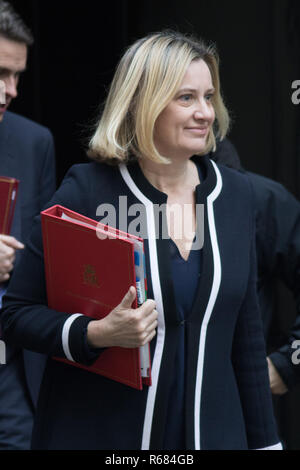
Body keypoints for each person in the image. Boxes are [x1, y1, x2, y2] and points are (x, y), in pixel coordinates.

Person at [1, 30, 281, 450]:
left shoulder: (235, 195)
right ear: (143, 102)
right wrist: (96, 333)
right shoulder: (88, 192)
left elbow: (246, 338)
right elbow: (17, 315)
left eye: (209, 96)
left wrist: (267, 444)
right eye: (186, 97)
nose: (205, 112)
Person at [0, 1, 56, 449]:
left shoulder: (33, 141)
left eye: (17, 75)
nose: (11, 89)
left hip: (13, 372)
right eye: (0, 73)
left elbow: (46, 257)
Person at [210, 139, 300, 397]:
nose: (201, 112)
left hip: (236, 407)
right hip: (143, 410)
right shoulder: (118, 199)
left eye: (206, 98)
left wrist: (287, 365)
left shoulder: (260, 199)